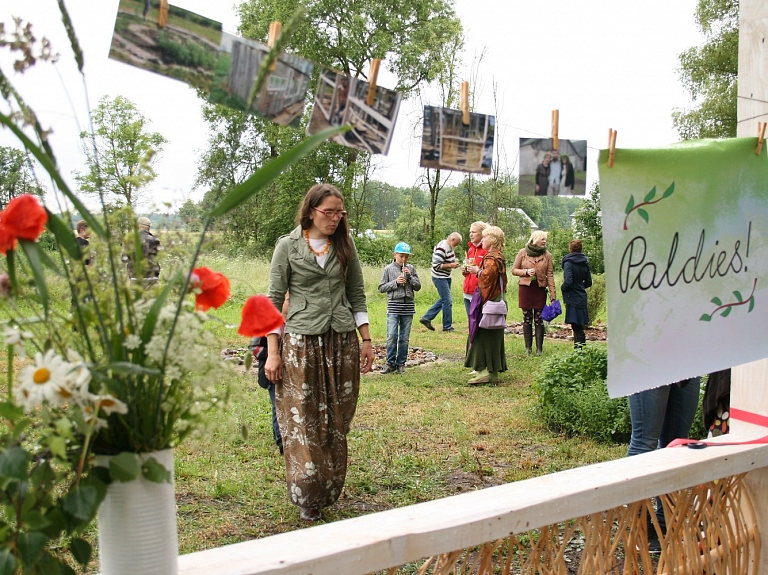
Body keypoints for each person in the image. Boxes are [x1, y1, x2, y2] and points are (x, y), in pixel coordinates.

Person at [265, 183, 373, 523]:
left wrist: (366, 340)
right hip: (301, 343)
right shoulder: (288, 246)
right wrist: (273, 352)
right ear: (310, 210)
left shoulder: (345, 244)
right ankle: (307, 493)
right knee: (303, 419)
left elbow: (357, 294)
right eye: (329, 212)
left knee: (337, 419)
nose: (335, 219)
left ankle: (328, 485)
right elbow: (272, 301)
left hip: (341, 342)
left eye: (340, 213)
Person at [627, 377, 701, 553]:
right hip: (648, 359)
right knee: (644, 442)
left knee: (676, 443)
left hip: (687, 359)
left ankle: (666, 521)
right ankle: (641, 527)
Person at [465, 226, 507, 385]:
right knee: (494, 337)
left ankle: (483, 372)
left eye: (485, 237)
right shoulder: (499, 256)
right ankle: (493, 372)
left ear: (493, 240)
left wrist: (477, 271)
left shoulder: (491, 258)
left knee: (480, 335)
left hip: (488, 302)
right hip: (497, 302)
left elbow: (487, 278)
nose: (482, 240)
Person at [250, 293, 290, 455]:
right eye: (288, 300)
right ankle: (281, 441)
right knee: (277, 404)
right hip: (272, 374)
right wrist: (273, 357)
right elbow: (255, 348)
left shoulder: (297, 324)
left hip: (291, 373)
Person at [378, 242, 421, 375]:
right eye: (401, 256)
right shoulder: (388, 269)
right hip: (393, 306)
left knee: (404, 337)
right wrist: (395, 282)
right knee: (392, 336)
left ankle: (401, 363)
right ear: (395, 255)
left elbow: (418, 286)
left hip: (408, 307)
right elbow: (381, 288)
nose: (404, 259)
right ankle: (390, 363)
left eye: (406, 257)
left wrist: (410, 278)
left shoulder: (411, 269)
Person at [512, 230, 556, 355]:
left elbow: (550, 275)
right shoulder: (523, 253)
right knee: (527, 318)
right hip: (526, 288)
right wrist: (525, 272)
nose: (544, 241)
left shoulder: (547, 255)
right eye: (542, 239)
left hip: (540, 289)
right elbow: (514, 270)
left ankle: (539, 349)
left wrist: (553, 294)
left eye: (545, 239)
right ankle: (528, 348)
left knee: (539, 319)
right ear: (535, 239)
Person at [420, 232, 462, 332]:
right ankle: (447, 327)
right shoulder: (442, 248)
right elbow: (436, 265)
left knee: (445, 299)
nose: (456, 246)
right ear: (452, 239)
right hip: (439, 277)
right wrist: (451, 265)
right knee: (447, 301)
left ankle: (427, 318)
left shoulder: (449, 246)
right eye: (456, 243)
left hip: (446, 276)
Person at [561, 239, 592, 348]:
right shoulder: (585, 262)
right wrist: (580, 286)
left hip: (572, 296)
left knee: (576, 326)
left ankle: (579, 350)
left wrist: (563, 288)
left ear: (570, 249)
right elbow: (589, 282)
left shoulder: (568, 263)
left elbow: (568, 280)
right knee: (579, 326)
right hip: (581, 296)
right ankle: (581, 349)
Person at [461, 221, 488, 318]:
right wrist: (464, 270)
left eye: (474, 232)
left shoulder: (486, 250)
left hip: (479, 291)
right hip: (467, 290)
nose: (471, 235)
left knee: (478, 320)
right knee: (471, 321)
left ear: (482, 233)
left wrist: (477, 270)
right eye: (470, 232)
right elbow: (467, 272)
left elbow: (489, 272)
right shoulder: (470, 249)